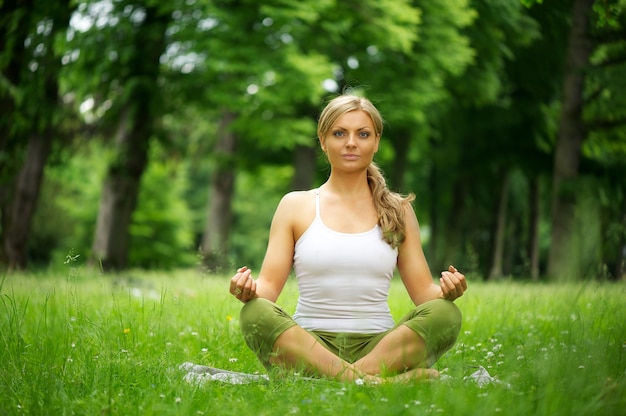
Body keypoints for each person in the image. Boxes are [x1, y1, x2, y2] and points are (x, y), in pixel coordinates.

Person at [229, 94, 467, 383]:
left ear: (376, 142)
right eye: (340, 133)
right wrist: (248, 291)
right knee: (254, 313)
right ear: (323, 140)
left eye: (363, 134)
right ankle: (379, 383)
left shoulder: (398, 210)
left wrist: (448, 292)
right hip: (310, 345)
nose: (351, 142)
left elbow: (424, 295)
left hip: (382, 347)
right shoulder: (295, 205)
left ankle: (335, 380)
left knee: (447, 314)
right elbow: (267, 291)